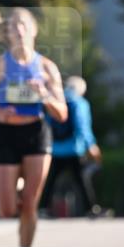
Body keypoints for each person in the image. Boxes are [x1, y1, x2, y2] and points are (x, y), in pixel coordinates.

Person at [0, 8, 67, 247]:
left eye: (24, 25)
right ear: (8, 34)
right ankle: (12, 190)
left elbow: (62, 113)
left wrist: (45, 94)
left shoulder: (47, 67)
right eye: (13, 26)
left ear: (34, 30)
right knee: (6, 210)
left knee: (30, 205)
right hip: (6, 134)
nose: (19, 30)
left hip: (36, 134)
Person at [40, 75, 107, 216]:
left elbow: (46, 123)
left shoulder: (57, 101)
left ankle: (43, 208)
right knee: (82, 180)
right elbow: (83, 127)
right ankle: (91, 208)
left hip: (55, 148)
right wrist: (91, 145)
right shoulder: (80, 103)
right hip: (74, 148)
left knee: (50, 180)